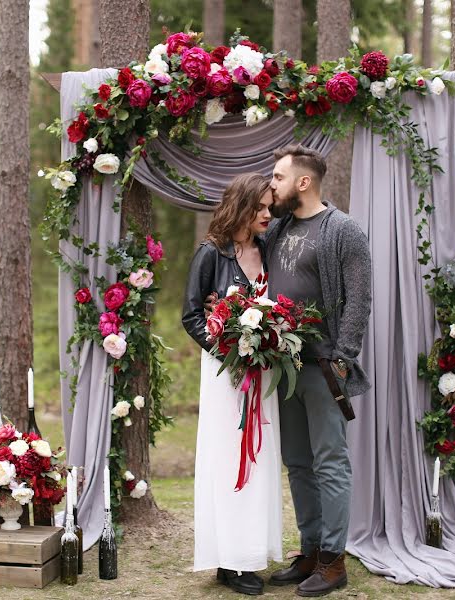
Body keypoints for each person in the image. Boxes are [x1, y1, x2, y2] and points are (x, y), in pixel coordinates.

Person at [264, 144, 372, 597]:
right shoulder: (278, 228)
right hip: (282, 366)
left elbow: (359, 298)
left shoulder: (343, 230)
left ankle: (333, 561)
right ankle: (308, 551)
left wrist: (342, 357)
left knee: (331, 463)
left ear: (303, 182)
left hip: (323, 367)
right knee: (297, 463)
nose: (272, 184)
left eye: (278, 177)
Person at [181, 173, 281, 596]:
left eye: (268, 206)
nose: (266, 213)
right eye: (258, 207)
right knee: (227, 460)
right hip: (226, 376)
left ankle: (251, 552)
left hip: (265, 376)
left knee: (260, 460)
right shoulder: (211, 254)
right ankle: (228, 559)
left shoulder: (270, 249)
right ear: (239, 206)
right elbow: (191, 316)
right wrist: (231, 356)